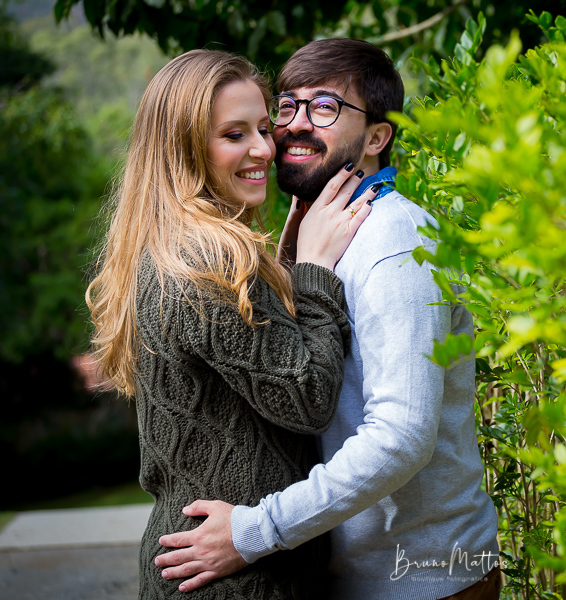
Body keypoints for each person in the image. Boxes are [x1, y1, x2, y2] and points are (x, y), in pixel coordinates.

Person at [155, 39, 502, 599]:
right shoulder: (324, 236)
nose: (294, 125)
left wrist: (253, 530)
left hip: (422, 581)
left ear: (375, 138)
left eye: (324, 107)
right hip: (349, 578)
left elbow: (401, 436)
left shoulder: (394, 240)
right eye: (287, 106)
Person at [85, 48, 376, 598]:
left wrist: (287, 271)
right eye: (234, 134)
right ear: (184, 148)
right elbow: (308, 395)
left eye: (265, 127)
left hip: (204, 561)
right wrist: (314, 272)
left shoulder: (169, 249)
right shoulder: (207, 259)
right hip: (234, 578)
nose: (266, 149)